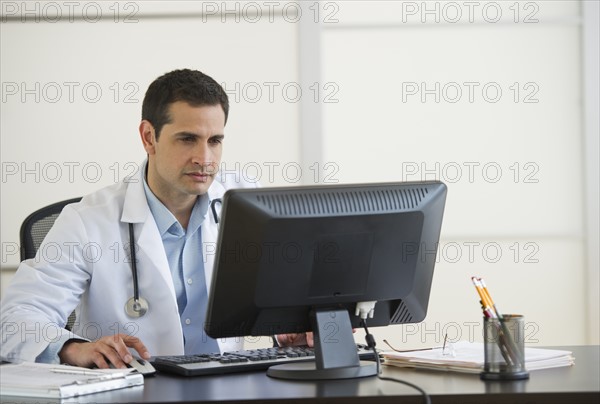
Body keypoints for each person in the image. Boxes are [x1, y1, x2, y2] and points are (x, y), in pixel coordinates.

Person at [0, 69, 311, 369]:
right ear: (149, 137)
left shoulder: (250, 203)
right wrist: (74, 348)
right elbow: (16, 320)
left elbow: (288, 297)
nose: (204, 158)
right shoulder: (87, 221)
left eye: (214, 140)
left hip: (226, 382)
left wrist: (297, 327)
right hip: (133, 387)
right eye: (187, 139)